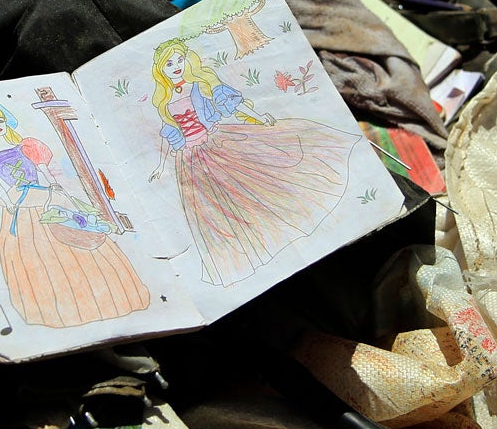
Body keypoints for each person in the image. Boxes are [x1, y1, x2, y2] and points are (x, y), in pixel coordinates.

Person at [148, 38, 355, 287]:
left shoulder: (198, 85)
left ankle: (290, 227)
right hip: (190, 161)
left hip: (217, 143)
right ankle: (252, 255)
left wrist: (257, 116)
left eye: (179, 60)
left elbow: (231, 107)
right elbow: (169, 135)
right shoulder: (164, 101)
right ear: (161, 69)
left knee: (256, 187)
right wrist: (161, 166)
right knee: (218, 210)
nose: (176, 66)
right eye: (169, 63)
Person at [0, 102, 149, 330]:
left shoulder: (26, 146)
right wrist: (10, 204)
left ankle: (110, 299)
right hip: (20, 206)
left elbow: (45, 174)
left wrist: (57, 190)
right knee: (35, 257)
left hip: (45, 199)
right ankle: (59, 310)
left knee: (73, 240)